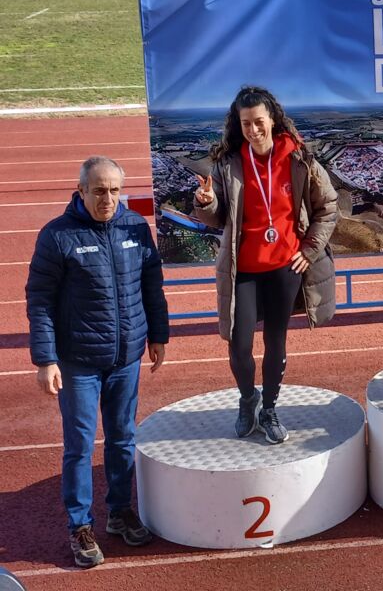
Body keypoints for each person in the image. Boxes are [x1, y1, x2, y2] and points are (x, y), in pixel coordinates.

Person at [27, 156, 169, 568]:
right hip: (78, 363)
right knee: (79, 445)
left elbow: (152, 285)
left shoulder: (135, 227)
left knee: (123, 438)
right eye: (99, 191)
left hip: (126, 358)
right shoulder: (57, 236)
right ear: (82, 191)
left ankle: (120, 512)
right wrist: (46, 359)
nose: (108, 199)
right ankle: (80, 526)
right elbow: (40, 301)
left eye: (114, 191)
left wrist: (158, 335)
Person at [193, 86, 338, 444]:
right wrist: (206, 202)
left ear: (272, 119)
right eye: (246, 123)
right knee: (239, 343)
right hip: (243, 269)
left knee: (276, 342)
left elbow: (328, 207)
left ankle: (269, 408)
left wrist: (310, 249)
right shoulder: (229, 163)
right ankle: (248, 399)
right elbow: (217, 217)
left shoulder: (299, 158)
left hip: (285, 268)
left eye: (259, 121)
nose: (253, 129)